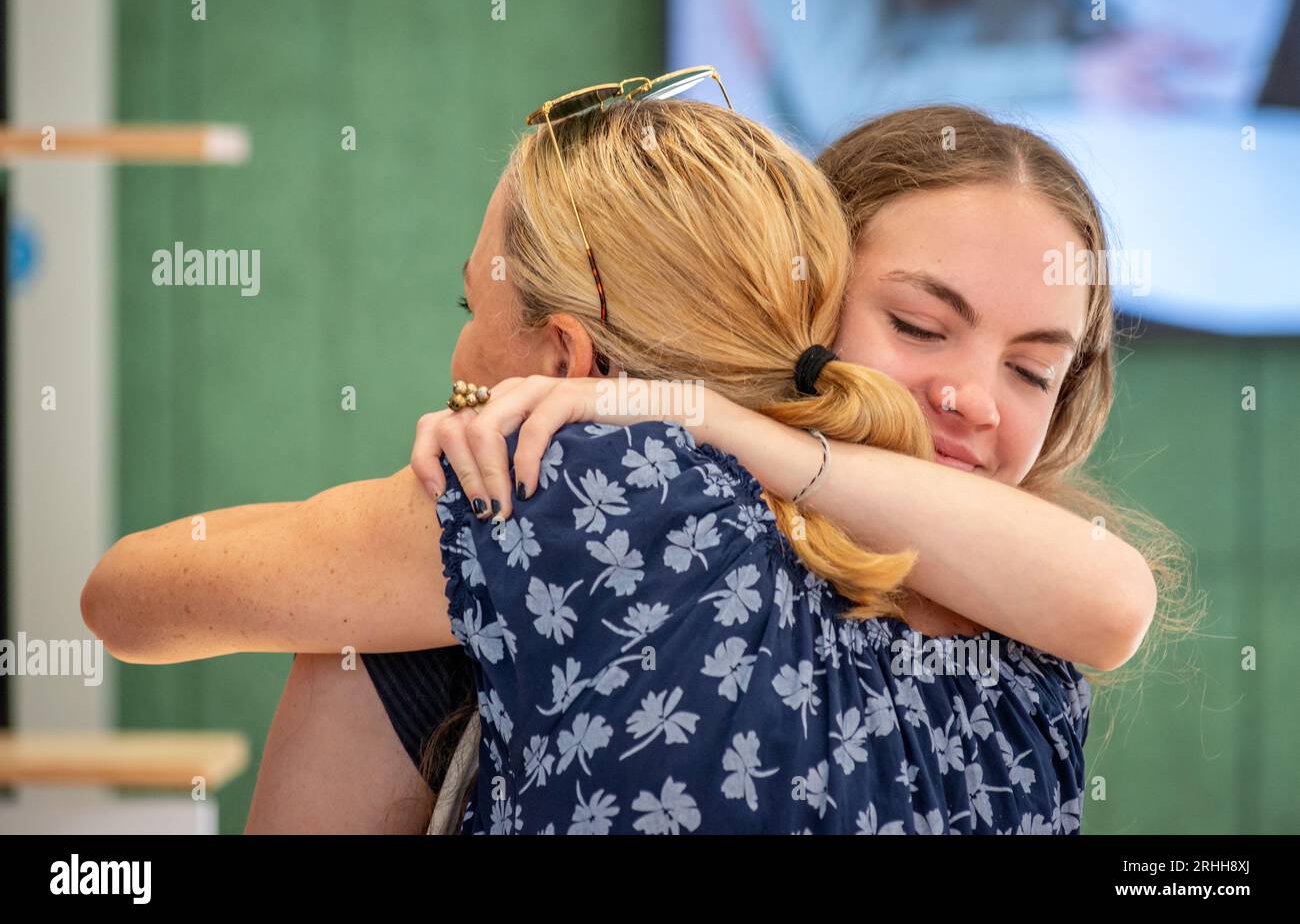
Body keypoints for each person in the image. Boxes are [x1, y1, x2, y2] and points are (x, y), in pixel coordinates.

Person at [82, 98, 1174, 834]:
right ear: (797, 285)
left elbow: (124, 595)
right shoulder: (599, 512)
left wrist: (722, 424)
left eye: (1036, 371)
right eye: (919, 325)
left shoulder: (584, 500)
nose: (972, 400)